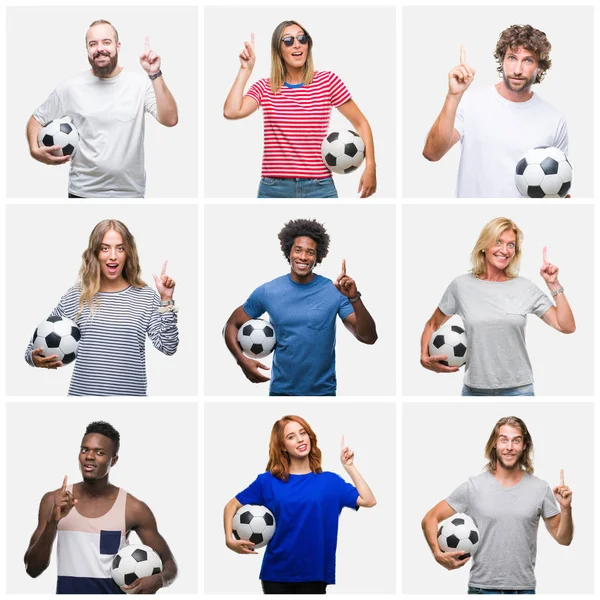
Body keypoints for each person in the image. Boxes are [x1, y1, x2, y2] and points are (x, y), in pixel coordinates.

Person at [420, 217, 575, 396]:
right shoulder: (461, 285)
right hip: (474, 390)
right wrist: (424, 357)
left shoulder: (524, 287)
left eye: (511, 245)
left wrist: (554, 285)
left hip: (519, 390)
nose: (505, 250)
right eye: (498, 242)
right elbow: (432, 324)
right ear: (484, 245)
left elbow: (566, 326)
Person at [223, 20, 377, 198]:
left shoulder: (328, 82)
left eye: (302, 39)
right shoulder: (265, 87)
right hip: (273, 188)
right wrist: (245, 70)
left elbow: (361, 123)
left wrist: (371, 166)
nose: (297, 44)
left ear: (308, 45)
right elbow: (231, 111)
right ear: (278, 50)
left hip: (319, 187)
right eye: (288, 40)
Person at [223, 415, 376, 594]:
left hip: (314, 574)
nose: (300, 439)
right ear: (282, 446)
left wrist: (349, 466)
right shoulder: (267, 481)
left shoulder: (330, 481)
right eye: (291, 437)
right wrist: (229, 540)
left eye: (303, 433)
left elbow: (369, 500)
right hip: (276, 574)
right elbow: (231, 506)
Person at [223, 218, 377, 396]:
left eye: (310, 252)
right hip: (281, 391)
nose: (303, 257)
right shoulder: (268, 291)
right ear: (288, 252)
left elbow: (368, 337)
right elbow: (231, 325)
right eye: (298, 250)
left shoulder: (334, 291)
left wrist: (353, 298)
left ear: (317, 256)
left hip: (323, 392)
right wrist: (241, 361)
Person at [25, 219, 178, 396]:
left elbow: (168, 347)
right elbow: (33, 348)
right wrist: (34, 359)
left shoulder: (146, 296)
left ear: (128, 253)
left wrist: (166, 299)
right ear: (95, 253)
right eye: (105, 248)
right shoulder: (77, 295)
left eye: (120, 248)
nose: (113, 256)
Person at [26, 19, 178, 198]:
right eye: (93, 44)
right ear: (87, 49)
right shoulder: (70, 88)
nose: (100, 49)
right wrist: (34, 149)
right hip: (83, 191)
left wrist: (154, 74)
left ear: (117, 46)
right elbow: (37, 120)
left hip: (129, 193)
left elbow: (170, 119)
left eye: (106, 42)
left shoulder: (139, 84)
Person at [421, 416, 573, 593]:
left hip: (523, 591)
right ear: (494, 443)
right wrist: (437, 554)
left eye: (516, 441)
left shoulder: (540, 488)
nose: (509, 447)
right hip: (481, 589)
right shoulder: (473, 487)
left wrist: (566, 508)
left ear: (524, 445)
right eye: (504, 440)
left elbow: (564, 539)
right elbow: (430, 518)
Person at [24, 421, 178, 594]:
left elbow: (170, 565)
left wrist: (160, 579)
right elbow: (33, 570)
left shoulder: (133, 508)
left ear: (113, 460)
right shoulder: (53, 500)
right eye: (84, 450)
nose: (89, 456)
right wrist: (52, 522)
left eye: (99, 452)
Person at [423, 24, 568, 198]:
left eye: (528, 60)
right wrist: (453, 96)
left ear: (540, 67)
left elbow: (556, 183)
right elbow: (432, 153)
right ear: (502, 60)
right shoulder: (470, 103)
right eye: (512, 58)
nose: (517, 70)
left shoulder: (554, 120)